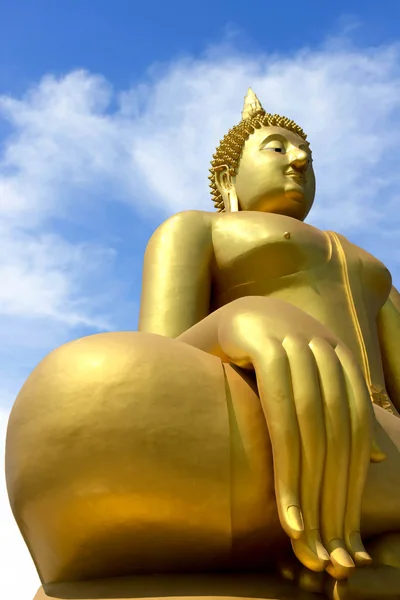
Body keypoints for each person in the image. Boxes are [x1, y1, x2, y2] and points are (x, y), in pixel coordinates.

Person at [6, 90, 400, 599]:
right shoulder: (199, 229)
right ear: (227, 178)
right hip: (261, 423)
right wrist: (232, 320)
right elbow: (161, 355)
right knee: (80, 392)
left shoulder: (374, 271)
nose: (299, 159)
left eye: (305, 153)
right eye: (277, 148)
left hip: (376, 440)